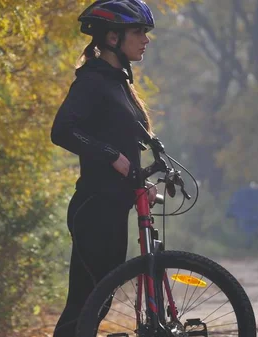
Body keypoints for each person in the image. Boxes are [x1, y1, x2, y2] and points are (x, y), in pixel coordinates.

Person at [50, 1, 157, 336]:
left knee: (97, 302)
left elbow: (127, 147)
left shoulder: (118, 82)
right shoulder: (93, 81)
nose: (145, 40)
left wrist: (142, 181)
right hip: (94, 207)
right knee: (84, 304)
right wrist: (110, 155)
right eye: (138, 31)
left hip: (114, 206)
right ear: (112, 37)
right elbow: (62, 130)